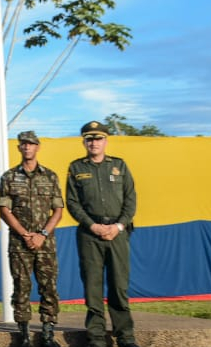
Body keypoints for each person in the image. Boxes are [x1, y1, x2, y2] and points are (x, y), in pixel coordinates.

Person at [66, 121, 140, 347]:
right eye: (89, 139)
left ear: (105, 141)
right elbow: (72, 202)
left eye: (98, 139)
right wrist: (93, 226)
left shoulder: (119, 166)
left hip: (117, 233)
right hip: (90, 234)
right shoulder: (76, 168)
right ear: (84, 142)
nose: (94, 143)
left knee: (119, 286)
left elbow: (131, 200)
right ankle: (96, 336)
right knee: (93, 286)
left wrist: (118, 226)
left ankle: (125, 336)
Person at [0, 131, 64, 347]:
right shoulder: (9, 177)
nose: (27, 147)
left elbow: (58, 210)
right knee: (21, 286)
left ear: (38, 147)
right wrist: (25, 234)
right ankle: (24, 333)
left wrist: (42, 234)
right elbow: (4, 209)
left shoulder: (50, 176)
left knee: (49, 287)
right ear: (19, 148)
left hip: (45, 243)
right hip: (20, 243)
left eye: (31, 144)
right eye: (23, 144)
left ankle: (47, 331)